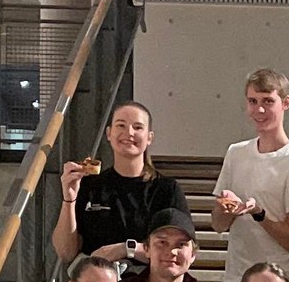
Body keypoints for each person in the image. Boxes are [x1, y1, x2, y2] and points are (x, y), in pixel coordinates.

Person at [210, 68, 289, 282]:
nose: (259, 110)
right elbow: (218, 225)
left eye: (268, 101)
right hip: (236, 281)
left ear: (285, 103)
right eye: (253, 101)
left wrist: (259, 214)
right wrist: (225, 209)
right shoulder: (235, 153)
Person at [51, 100, 187, 268]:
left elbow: (178, 252)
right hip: (96, 280)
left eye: (138, 127)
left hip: (147, 280)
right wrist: (69, 199)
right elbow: (66, 253)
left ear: (149, 137)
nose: (129, 132)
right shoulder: (89, 185)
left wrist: (126, 249)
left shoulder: (167, 189)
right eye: (121, 125)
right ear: (109, 133)